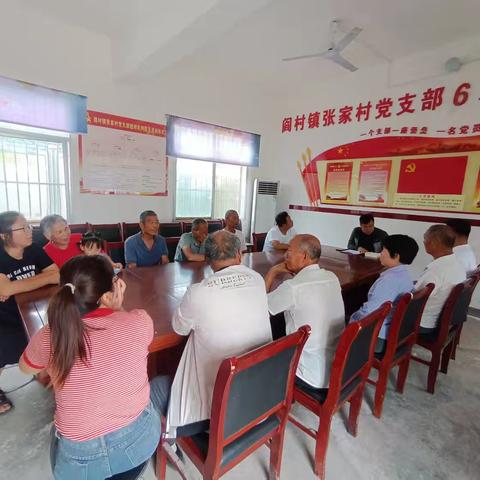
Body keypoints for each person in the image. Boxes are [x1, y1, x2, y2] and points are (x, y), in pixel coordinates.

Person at [19, 256, 161, 479]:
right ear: (108, 294)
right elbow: (122, 326)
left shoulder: (49, 335)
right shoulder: (139, 321)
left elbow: (26, 368)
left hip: (79, 461)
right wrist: (118, 306)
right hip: (138, 446)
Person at [153, 230, 272, 436]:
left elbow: (179, 328)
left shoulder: (198, 292)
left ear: (207, 259)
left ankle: (166, 440)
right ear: (239, 255)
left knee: (155, 387)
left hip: (216, 406)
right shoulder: (257, 279)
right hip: (259, 392)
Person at [264, 234, 344, 391]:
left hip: (308, 373)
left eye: (290, 252)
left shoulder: (293, 287)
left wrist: (273, 271)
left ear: (305, 256)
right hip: (337, 367)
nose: (285, 256)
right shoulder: (332, 277)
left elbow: (261, 310)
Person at [0, 211, 59, 415]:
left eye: (28, 226)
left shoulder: (34, 249)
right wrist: (43, 278)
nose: (30, 230)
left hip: (33, 310)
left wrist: (14, 286)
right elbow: (4, 291)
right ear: (4, 235)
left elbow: (56, 274)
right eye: (23, 227)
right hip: (4, 317)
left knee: (50, 338)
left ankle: (45, 374)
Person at [350, 234, 419, 353]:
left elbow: (370, 314)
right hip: (393, 331)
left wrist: (350, 320)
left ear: (396, 256)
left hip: (377, 338)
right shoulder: (405, 275)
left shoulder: (388, 281)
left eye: (383, 250)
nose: (380, 253)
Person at [415, 225, 466, 333]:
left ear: (433, 243)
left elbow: (414, 297)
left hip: (423, 322)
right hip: (440, 318)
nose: (424, 242)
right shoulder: (457, 263)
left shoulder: (436, 271)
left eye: (425, 239)